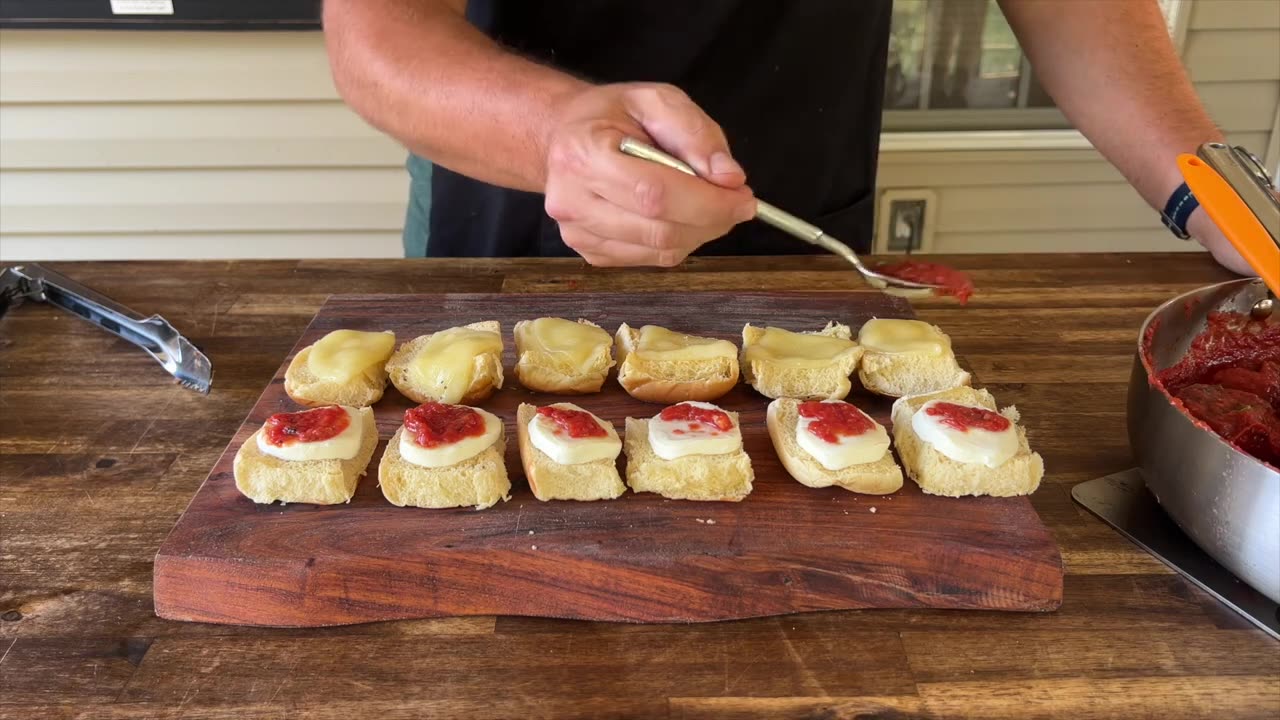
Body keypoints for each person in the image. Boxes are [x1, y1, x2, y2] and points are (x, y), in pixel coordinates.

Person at [323, 0, 1254, 275]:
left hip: (807, 222)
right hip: (515, 208)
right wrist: (553, 130)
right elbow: (375, 36)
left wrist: (1214, 195)